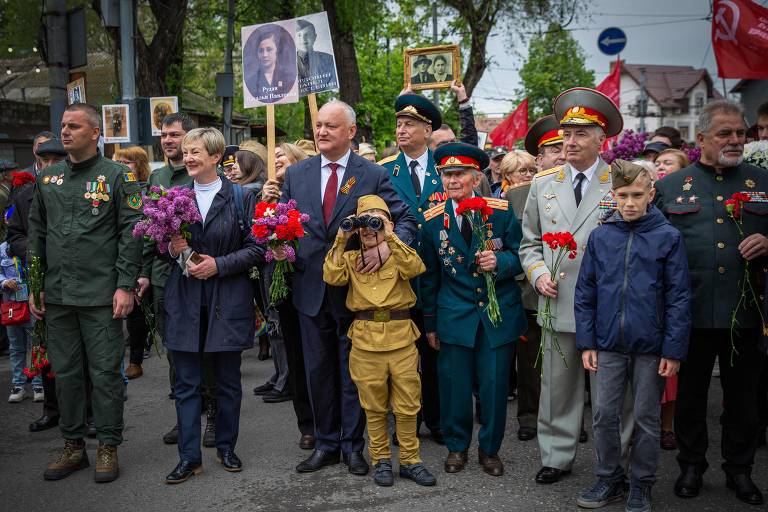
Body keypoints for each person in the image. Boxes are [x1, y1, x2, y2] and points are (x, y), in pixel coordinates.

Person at [279, 100, 416, 476]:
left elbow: (404, 218)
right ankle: (325, 444)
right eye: (319, 125)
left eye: (331, 126)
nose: (322, 132)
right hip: (309, 289)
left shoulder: (371, 174)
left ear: (351, 132)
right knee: (318, 371)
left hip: (359, 294)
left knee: (354, 373)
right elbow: (284, 223)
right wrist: (277, 243)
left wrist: (387, 246)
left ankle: (354, 447)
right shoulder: (297, 174)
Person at [654, 100, 768, 506]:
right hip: (692, 311)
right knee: (690, 395)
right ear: (701, 138)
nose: (736, 140)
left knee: (744, 399)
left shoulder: (761, 181)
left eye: (740, 132)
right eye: (725, 133)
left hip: (747, 311)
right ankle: (691, 464)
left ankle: (740, 470)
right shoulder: (670, 186)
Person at [520, 87, 634, 485]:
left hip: (609, 305)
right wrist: (537, 274)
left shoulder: (620, 178)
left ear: (602, 139)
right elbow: (530, 243)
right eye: (566, 133)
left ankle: (614, 460)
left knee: (612, 392)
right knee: (557, 387)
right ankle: (556, 454)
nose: (570, 141)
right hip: (559, 298)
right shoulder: (543, 183)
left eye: (581, 133)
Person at [27, 103, 143, 483]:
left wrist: (125, 285)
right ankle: (73, 446)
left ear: (95, 133)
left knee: (105, 374)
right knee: (66, 374)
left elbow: (131, 234)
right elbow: (37, 236)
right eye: (63, 125)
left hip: (100, 295)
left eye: (74, 126)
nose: (65, 132)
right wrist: (36, 285)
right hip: (58, 295)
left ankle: (107, 446)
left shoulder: (117, 176)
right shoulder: (48, 180)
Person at [574, 159, 691, 511]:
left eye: (637, 195)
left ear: (651, 194)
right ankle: (609, 478)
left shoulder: (668, 237)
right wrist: (587, 342)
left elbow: (679, 296)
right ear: (614, 195)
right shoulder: (601, 235)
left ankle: (641, 483)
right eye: (622, 195)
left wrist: (672, 350)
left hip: (651, 346)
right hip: (607, 344)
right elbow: (586, 292)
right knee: (604, 415)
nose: (629, 202)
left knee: (646, 418)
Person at [161, 127, 263, 483]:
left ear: (216, 157)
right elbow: (160, 249)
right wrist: (171, 249)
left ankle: (226, 446)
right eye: (186, 152)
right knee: (186, 384)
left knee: (227, 383)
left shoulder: (240, 197)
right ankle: (189, 457)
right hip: (186, 300)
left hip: (227, 299)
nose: (187, 157)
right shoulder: (174, 196)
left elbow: (258, 249)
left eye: (195, 152)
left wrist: (218, 265)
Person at [420, 142, 527, 477]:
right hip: (454, 315)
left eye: (459, 174)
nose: (452, 180)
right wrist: (431, 323)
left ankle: (490, 449)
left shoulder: (500, 211)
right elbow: (430, 277)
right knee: (453, 385)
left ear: (475, 176)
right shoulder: (432, 219)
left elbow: (522, 253)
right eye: (447, 174)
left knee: (495, 386)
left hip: (496, 315)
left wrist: (502, 262)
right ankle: (456, 446)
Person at [323, 194, 437, 487]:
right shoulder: (349, 257)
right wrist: (341, 236)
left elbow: (415, 268)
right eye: (364, 222)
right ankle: (382, 460)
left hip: (400, 337)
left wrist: (391, 236)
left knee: (408, 403)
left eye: (376, 221)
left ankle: (411, 461)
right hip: (365, 339)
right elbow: (331, 276)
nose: (368, 228)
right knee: (373, 405)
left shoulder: (397, 253)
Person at [136, 113, 218, 448]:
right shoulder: (157, 175)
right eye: (164, 135)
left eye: (176, 135)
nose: (169, 141)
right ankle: (184, 415)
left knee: (207, 347)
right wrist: (142, 272)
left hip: (201, 273)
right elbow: (146, 231)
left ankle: (213, 413)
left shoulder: (202, 174)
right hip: (165, 276)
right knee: (176, 350)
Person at [377, 93, 445, 445]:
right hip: (397, 280)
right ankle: (405, 422)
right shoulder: (385, 171)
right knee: (399, 361)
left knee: (434, 356)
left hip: (438, 280)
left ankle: (436, 419)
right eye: (399, 124)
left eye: (410, 124)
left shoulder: (445, 169)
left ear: (427, 129)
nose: (402, 130)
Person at [506, 115, 565, 443]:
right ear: (538, 158)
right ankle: (529, 415)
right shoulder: (517, 195)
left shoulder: (578, 190)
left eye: (563, 147)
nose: (560, 154)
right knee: (529, 362)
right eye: (552, 149)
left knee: (567, 359)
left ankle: (568, 420)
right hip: (527, 290)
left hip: (569, 289)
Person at [8, 139, 66, 431]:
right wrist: (34, 249)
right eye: (45, 163)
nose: (50, 168)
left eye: (57, 161)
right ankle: (52, 409)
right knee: (44, 348)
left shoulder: (74, 193)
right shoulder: (24, 196)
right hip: (38, 281)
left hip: (70, 282)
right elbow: (14, 235)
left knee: (76, 352)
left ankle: (89, 412)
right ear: (38, 164)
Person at [260, 141, 315, 449]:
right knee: (295, 355)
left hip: (314, 280)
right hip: (283, 284)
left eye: (282, 156)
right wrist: (266, 205)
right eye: (274, 158)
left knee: (318, 357)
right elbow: (256, 238)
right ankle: (306, 423)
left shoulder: (309, 189)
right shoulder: (268, 196)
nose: (276, 160)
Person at [113, 147, 153, 381]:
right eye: (119, 161)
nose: (122, 165)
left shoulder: (146, 191)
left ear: (139, 165)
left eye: (127, 162)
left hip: (141, 257)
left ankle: (135, 360)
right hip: (118, 257)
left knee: (137, 314)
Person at [3, 226, 39, 403]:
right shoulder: (2, 249)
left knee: (36, 346)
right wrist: (3, 282)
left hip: (32, 303)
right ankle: (18, 385)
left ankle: (38, 384)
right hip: (12, 306)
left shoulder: (32, 245)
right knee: (16, 347)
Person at [244, 25, 296, 103]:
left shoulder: (288, 78)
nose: (265, 55)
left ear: (277, 51)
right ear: (257, 53)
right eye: (261, 51)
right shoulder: (251, 82)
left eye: (269, 49)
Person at [296, 18, 338, 95]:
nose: (303, 39)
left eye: (307, 34)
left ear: (314, 37)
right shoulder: (286, 64)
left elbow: (332, 86)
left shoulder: (328, 60)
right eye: (299, 35)